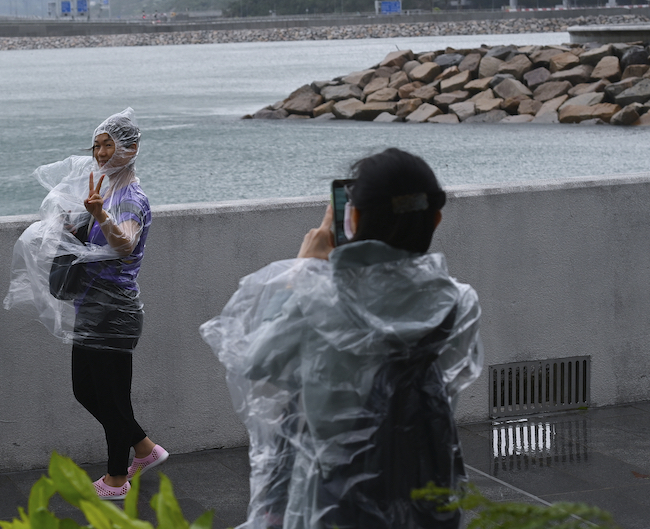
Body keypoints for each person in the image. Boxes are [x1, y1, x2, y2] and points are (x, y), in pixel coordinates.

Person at [200, 148, 483, 529]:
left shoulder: (316, 300)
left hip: (332, 497)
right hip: (425, 481)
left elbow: (255, 361)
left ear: (352, 218)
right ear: (435, 219)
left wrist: (304, 270)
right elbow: (448, 374)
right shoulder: (460, 302)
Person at [4, 107, 168, 501]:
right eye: (95, 145)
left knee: (112, 398)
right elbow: (89, 237)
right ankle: (145, 449)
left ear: (130, 148)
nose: (99, 153)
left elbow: (125, 242)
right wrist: (72, 221)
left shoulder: (130, 197)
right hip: (92, 307)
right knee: (85, 391)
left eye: (107, 145)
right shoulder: (105, 189)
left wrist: (99, 214)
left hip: (115, 312)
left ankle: (116, 479)